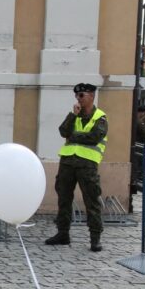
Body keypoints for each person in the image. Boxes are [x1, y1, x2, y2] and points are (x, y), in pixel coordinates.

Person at [46, 82, 107, 252]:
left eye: (81, 96)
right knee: (64, 199)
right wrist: (73, 116)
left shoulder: (100, 117)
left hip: (87, 165)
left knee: (91, 201)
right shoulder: (74, 115)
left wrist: (74, 136)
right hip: (67, 163)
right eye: (76, 96)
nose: (78, 99)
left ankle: (95, 238)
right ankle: (63, 233)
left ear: (91, 96)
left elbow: (94, 137)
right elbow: (63, 131)